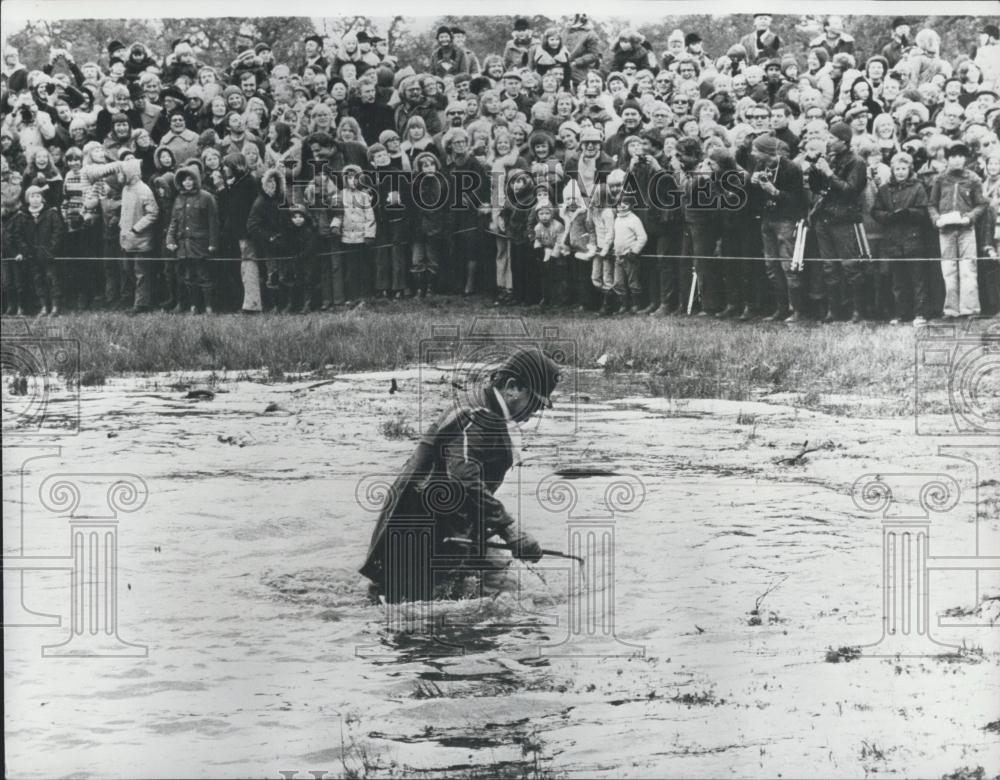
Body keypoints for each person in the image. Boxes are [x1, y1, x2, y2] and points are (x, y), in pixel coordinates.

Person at [359, 346, 560, 603]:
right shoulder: (478, 416)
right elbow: (464, 478)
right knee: (409, 610)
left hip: (448, 526)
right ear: (512, 387)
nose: (535, 413)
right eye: (534, 402)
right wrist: (509, 529)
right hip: (418, 532)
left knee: (505, 586)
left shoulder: (486, 413)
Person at [807, 121, 868, 322]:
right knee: (829, 266)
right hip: (824, 218)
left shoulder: (857, 162)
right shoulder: (830, 158)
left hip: (844, 219)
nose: (829, 141)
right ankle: (834, 310)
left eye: (832, 138)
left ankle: (857, 310)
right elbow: (818, 188)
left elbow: (850, 191)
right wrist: (815, 170)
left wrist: (829, 173)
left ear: (844, 141)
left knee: (850, 266)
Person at [927, 141, 987, 318]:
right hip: (945, 231)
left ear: (966, 159)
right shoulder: (940, 179)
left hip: (966, 230)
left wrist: (970, 217)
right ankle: (951, 309)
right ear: (947, 159)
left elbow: (981, 204)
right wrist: (937, 219)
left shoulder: (972, 179)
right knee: (948, 269)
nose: (957, 160)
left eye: (961, 156)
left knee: (968, 268)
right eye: (953, 156)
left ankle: (970, 308)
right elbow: (931, 204)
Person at [166, 164, 219, 315]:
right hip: (183, 246)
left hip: (200, 245)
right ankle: (194, 306)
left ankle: (209, 307)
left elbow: (213, 223)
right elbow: (173, 222)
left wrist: (213, 244)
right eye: (184, 180)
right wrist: (170, 239)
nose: (187, 183)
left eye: (190, 179)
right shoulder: (178, 199)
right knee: (189, 277)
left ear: (196, 180)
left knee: (204, 276)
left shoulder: (207, 197)